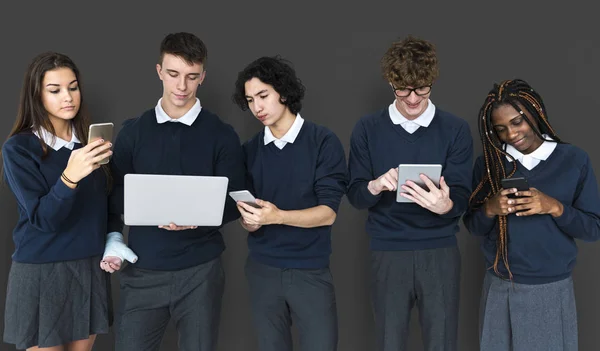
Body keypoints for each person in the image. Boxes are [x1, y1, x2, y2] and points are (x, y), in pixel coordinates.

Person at [103, 32, 245, 351]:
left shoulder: (222, 135)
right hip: (142, 267)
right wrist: (114, 239)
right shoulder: (133, 133)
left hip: (201, 272)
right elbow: (113, 197)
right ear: (159, 71)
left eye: (192, 77)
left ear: (202, 77)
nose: (182, 86)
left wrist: (199, 217)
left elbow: (237, 200)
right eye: (174, 74)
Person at [346, 36, 473, 351]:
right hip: (387, 252)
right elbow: (356, 195)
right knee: (389, 340)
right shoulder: (367, 128)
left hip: (439, 251)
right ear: (391, 82)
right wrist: (375, 185)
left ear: (432, 82)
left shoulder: (455, 129)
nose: (413, 99)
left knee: (442, 341)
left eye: (422, 88)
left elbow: (463, 194)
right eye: (403, 89)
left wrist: (446, 205)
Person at [463, 78, 600, 351]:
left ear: (535, 113)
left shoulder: (573, 160)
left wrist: (555, 207)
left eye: (517, 122)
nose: (511, 135)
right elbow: (473, 227)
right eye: (500, 129)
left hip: (548, 289)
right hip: (498, 286)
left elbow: (593, 229)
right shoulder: (490, 164)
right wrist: (490, 209)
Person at [232, 56, 348, 351]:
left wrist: (277, 216)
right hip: (262, 271)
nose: (257, 107)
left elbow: (327, 214)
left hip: (309, 271)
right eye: (250, 100)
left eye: (263, 95)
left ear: (283, 92)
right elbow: (251, 214)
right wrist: (250, 220)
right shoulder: (249, 151)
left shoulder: (323, 142)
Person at [1, 52, 114, 351]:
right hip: (43, 269)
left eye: (73, 87)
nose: (68, 97)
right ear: (37, 96)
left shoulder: (92, 145)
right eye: (55, 90)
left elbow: (104, 207)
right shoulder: (19, 149)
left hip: (89, 268)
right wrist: (69, 177)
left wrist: (115, 242)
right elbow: (44, 219)